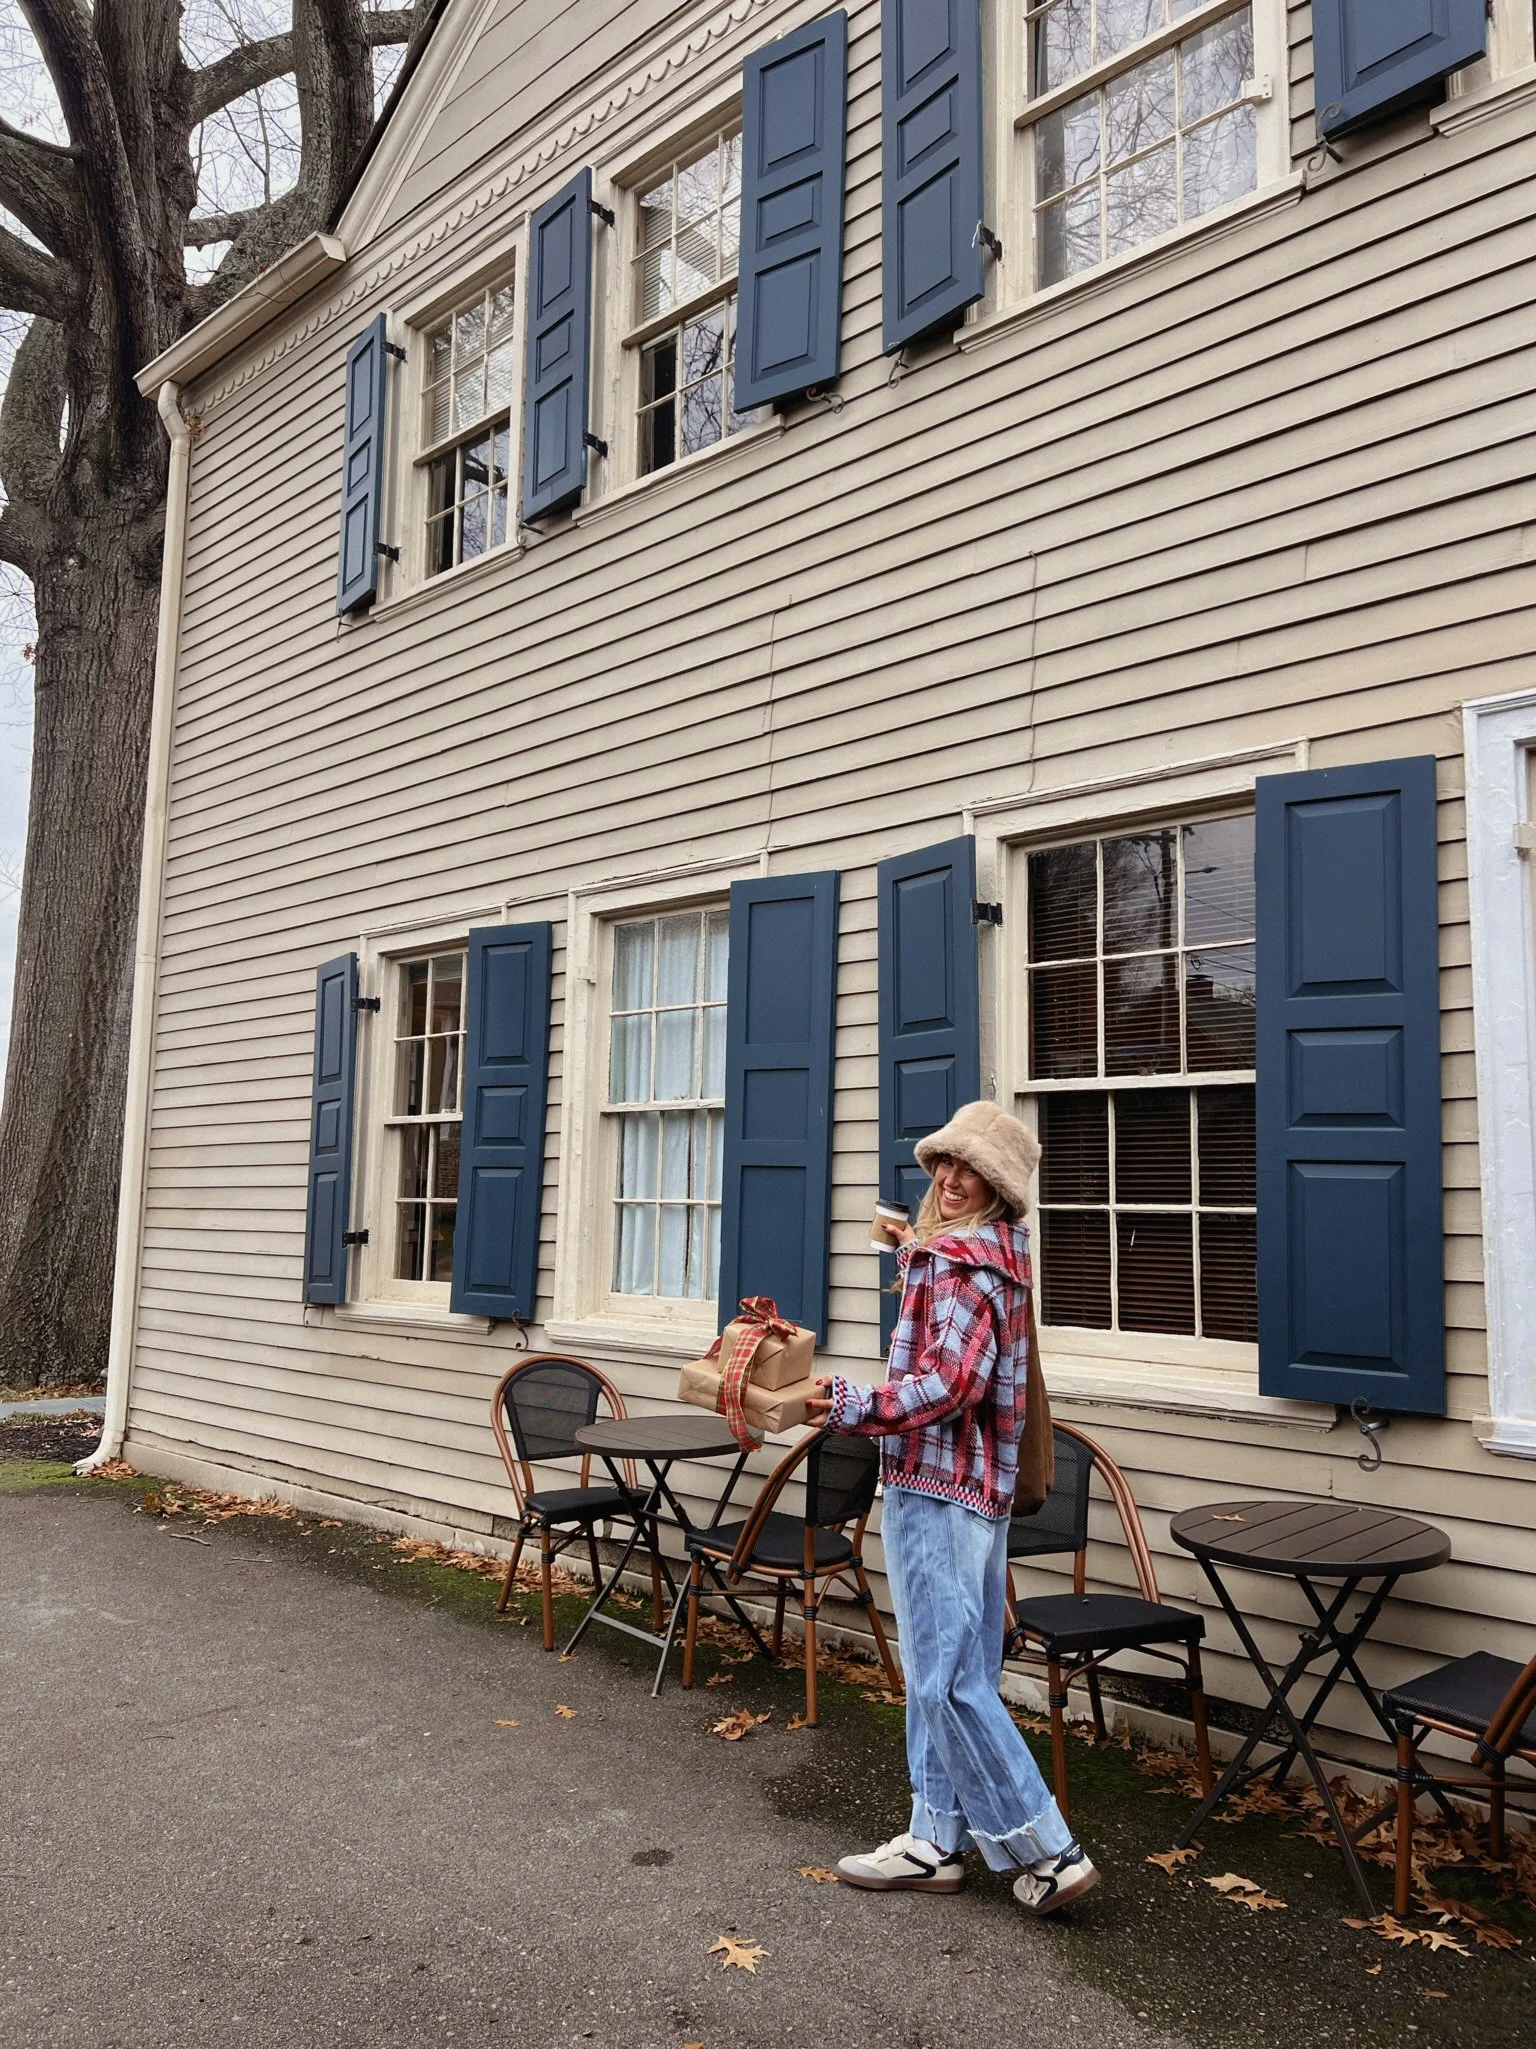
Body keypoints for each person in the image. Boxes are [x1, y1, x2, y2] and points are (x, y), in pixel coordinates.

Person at [804, 1101, 1098, 1915]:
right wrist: (915, 1251)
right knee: (952, 1671)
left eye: (971, 1168)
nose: (950, 1177)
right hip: (976, 1491)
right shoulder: (989, 1257)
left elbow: (952, 1382)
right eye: (944, 1162)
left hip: (938, 1487)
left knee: (948, 1682)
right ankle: (933, 1841)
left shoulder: (961, 1266)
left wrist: (854, 1403)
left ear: (999, 1187)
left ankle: (1049, 1849)